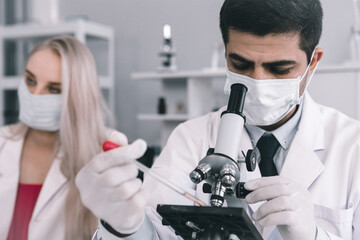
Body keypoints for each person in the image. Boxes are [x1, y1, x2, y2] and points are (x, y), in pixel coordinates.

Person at [76, 0, 360, 239]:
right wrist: (124, 226)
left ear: (313, 62)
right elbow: (155, 232)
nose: (257, 82)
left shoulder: (352, 147)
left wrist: (313, 235)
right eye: (241, 64)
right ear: (225, 54)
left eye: (279, 68)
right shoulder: (190, 138)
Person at [0, 36, 141, 240]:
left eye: (53, 89)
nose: (35, 95)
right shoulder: (3, 141)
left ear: (78, 96)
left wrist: (127, 223)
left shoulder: (99, 154)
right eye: (30, 81)